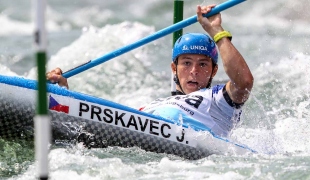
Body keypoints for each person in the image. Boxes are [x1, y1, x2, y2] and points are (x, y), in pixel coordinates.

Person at [46, 5, 253, 137]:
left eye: (202, 64)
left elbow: (243, 82)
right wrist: (64, 94)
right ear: (174, 68)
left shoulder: (218, 101)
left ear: (214, 70)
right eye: (186, 63)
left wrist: (217, 31)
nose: (193, 71)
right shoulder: (153, 105)